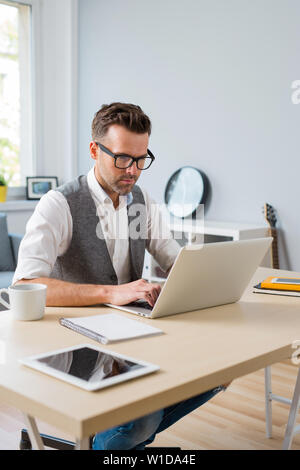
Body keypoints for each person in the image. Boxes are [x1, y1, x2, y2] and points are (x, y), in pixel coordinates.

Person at [13, 102, 230, 450]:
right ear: (94, 150)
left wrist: (202, 279)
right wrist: (110, 293)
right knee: (140, 419)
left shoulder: (140, 201)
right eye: (123, 159)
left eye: (141, 159)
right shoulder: (60, 204)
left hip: (129, 338)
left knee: (215, 374)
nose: (133, 170)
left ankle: (115, 442)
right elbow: (26, 284)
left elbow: (173, 258)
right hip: (73, 346)